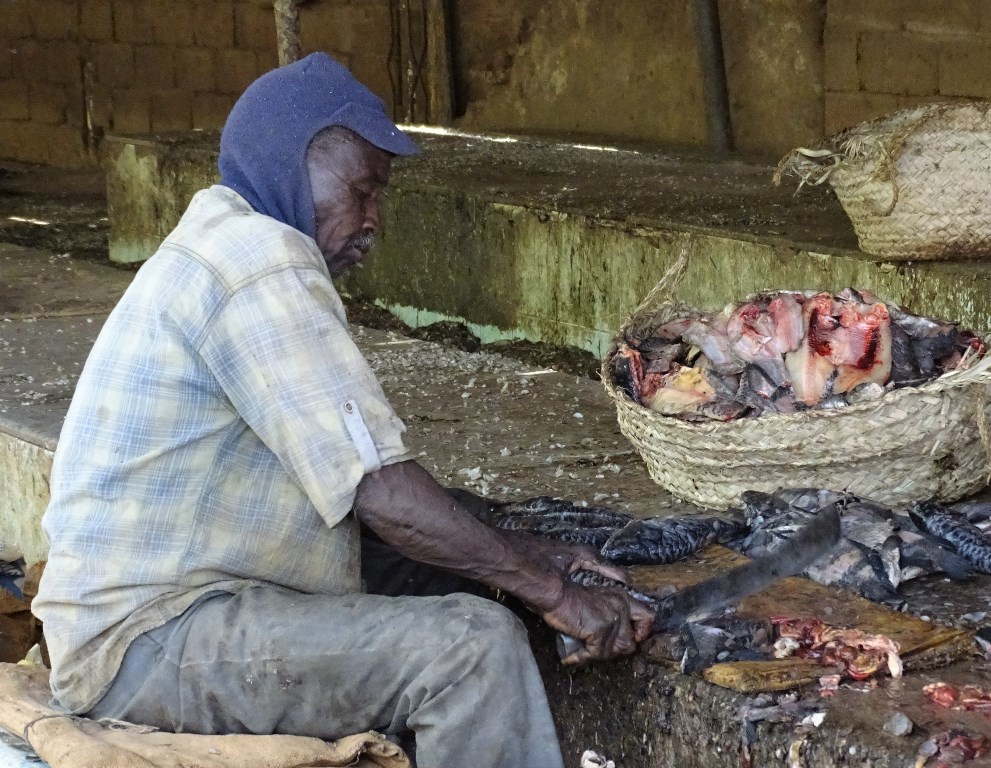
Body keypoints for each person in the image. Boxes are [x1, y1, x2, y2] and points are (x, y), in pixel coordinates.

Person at [31, 53, 654, 768]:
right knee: (468, 647)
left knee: (451, 575)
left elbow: (361, 492)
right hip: (147, 643)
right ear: (296, 162)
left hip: (166, 618)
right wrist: (550, 590)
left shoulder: (222, 240)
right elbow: (380, 491)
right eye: (360, 190)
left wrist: (528, 554)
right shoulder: (261, 260)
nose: (371, 220)